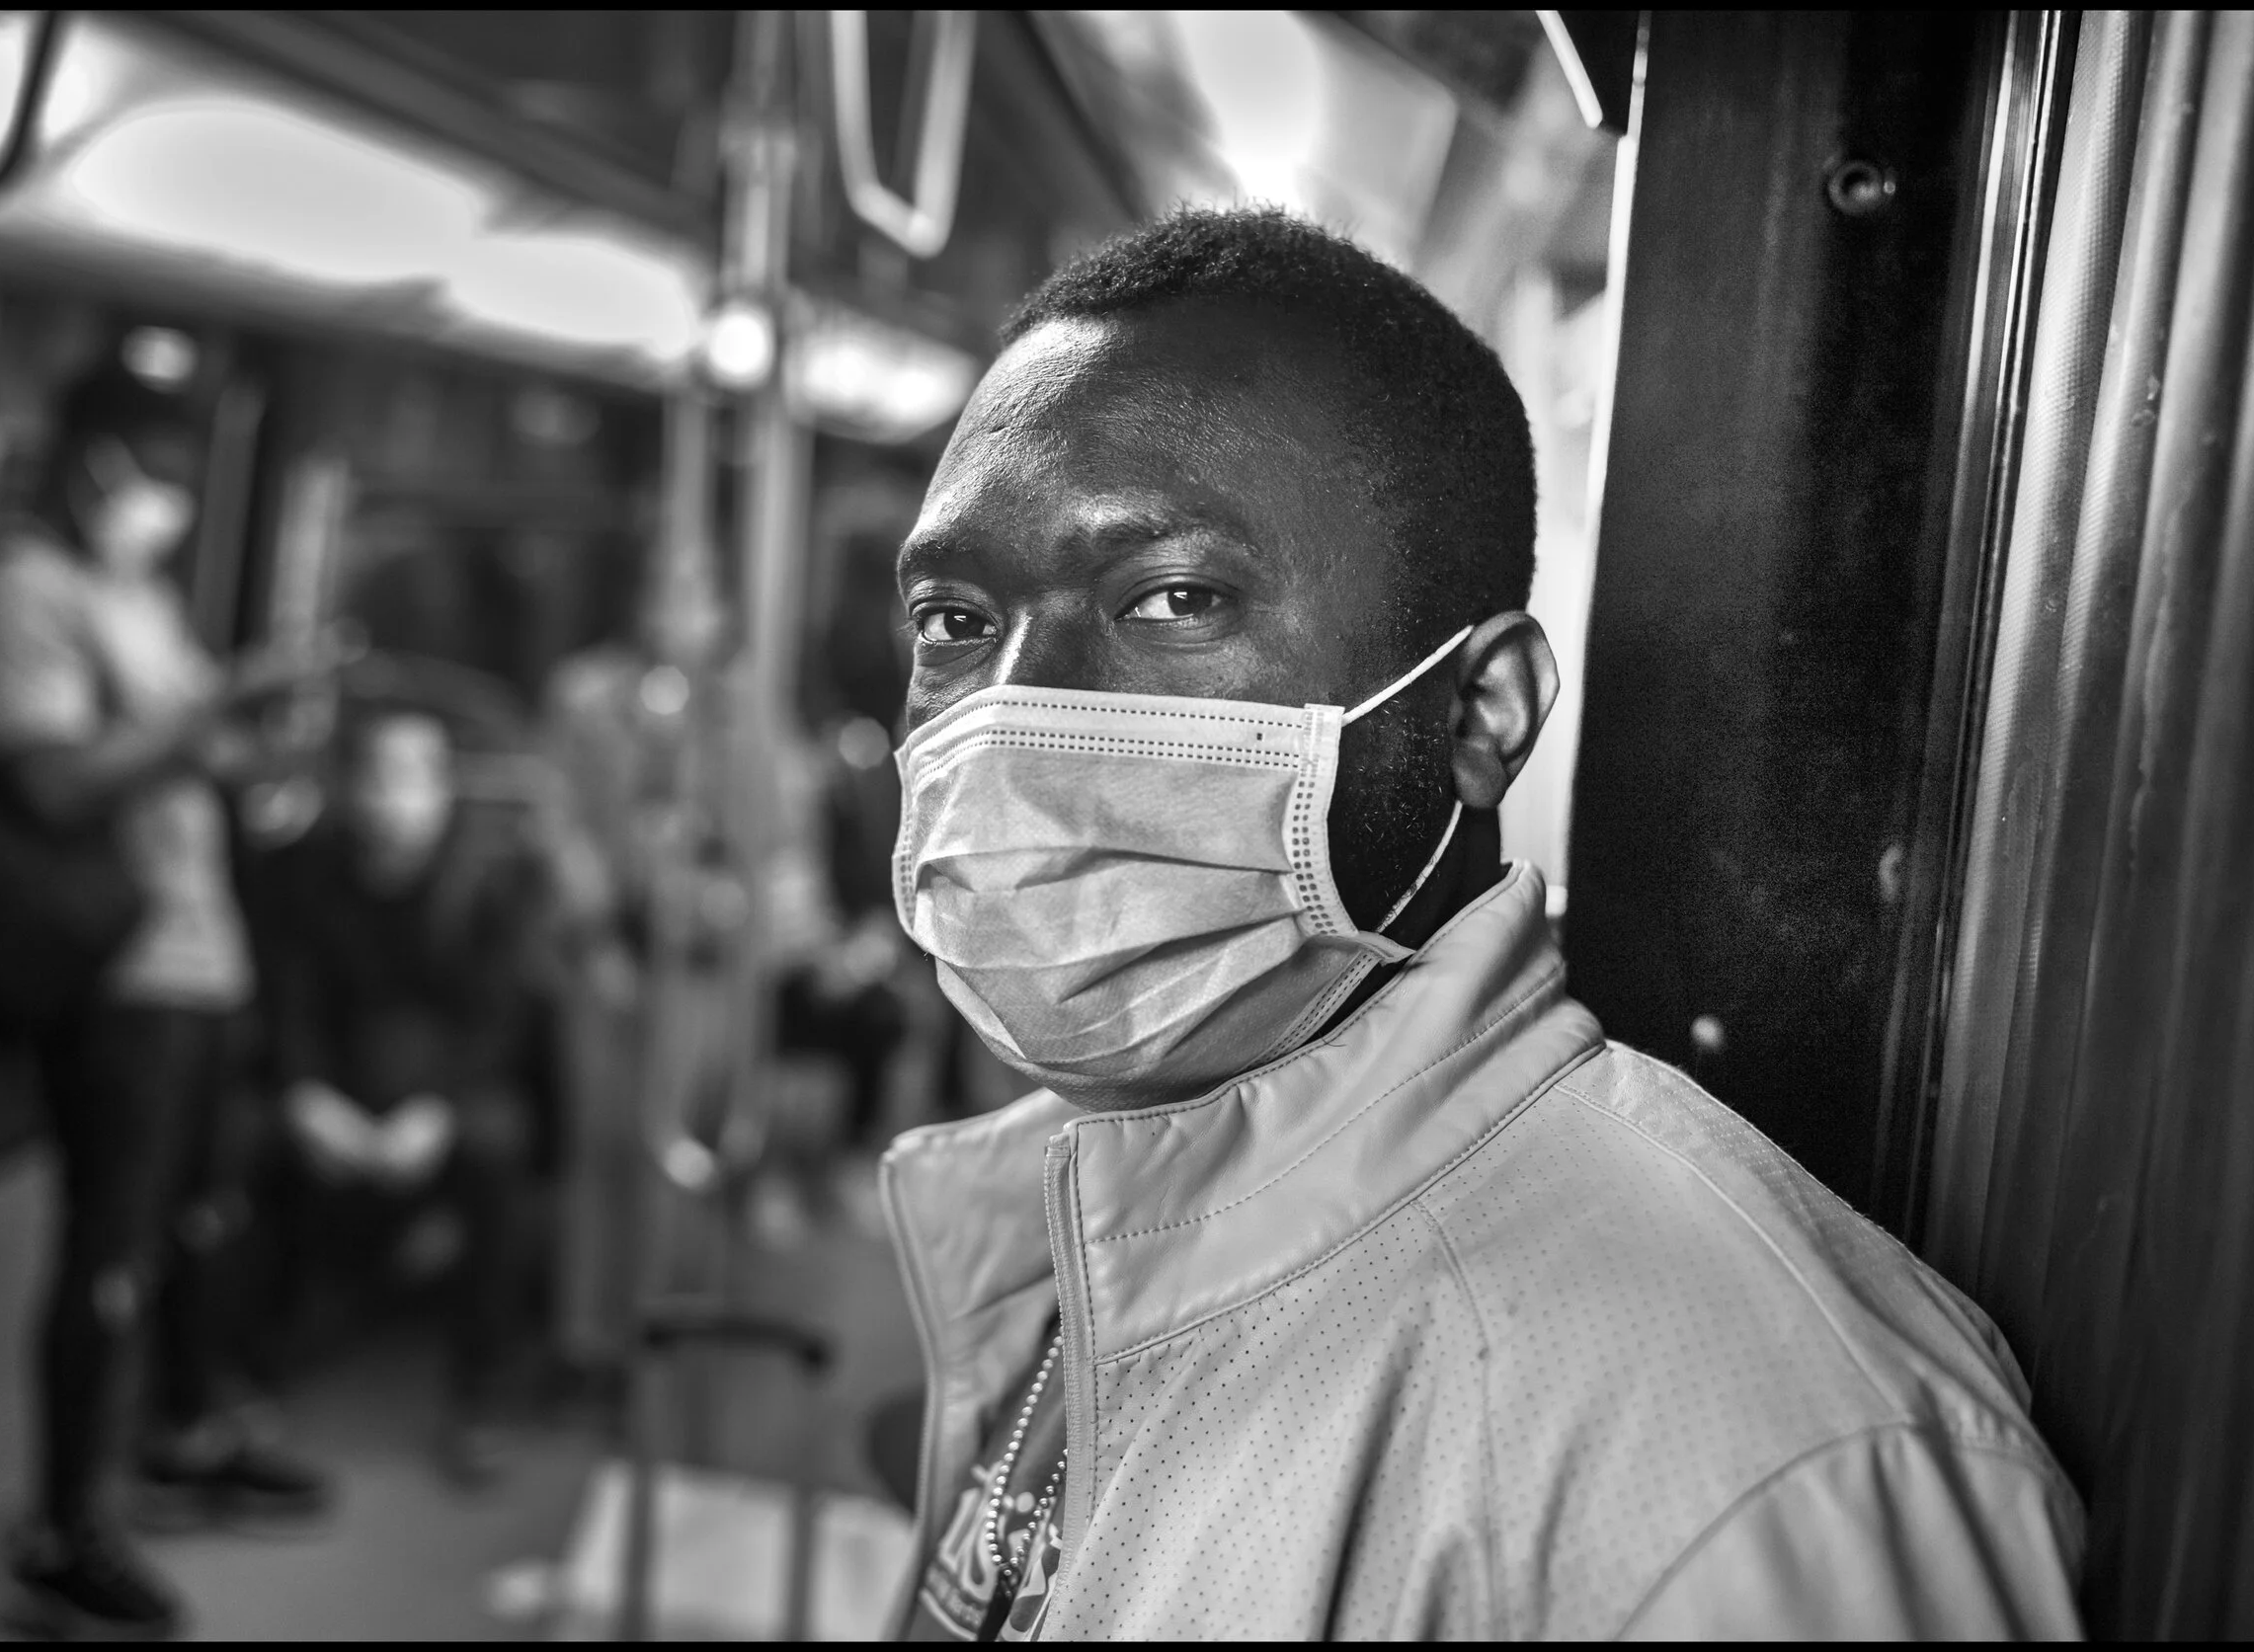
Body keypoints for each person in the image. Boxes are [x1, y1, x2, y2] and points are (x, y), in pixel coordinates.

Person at [879, 209, 2085, 1640]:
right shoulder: (1094, 1212)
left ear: (1480, 715)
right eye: (953, 620)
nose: (1016, 716)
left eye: (1175, 599)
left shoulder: (1746, 1456)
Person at [0, 364, 336, 1641]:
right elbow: (55, 783)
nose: (164, 505)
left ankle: (181, 1434)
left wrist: (257, 732)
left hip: (203, 955)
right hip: (116, 976)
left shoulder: (138, 599)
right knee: (107, 1250)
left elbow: (202, 756)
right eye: (152, 476)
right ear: (93, 466)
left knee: (199, 1218)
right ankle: (62, 1528)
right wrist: (203, 716)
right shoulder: (21, 593)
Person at [257, 703, 548, 1486]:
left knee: (497, 1147)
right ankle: (254, 1364)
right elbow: (293, 999)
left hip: (447, 1091)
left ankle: (482, 1389)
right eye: (376, 775)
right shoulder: (310, 873)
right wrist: (303, 1093)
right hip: (342, 1082)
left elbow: (501, 1020)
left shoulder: (489, 877)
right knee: (245, 1141)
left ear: (445, 786)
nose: (392, 797)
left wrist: (440, 1108)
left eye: (413, 776)